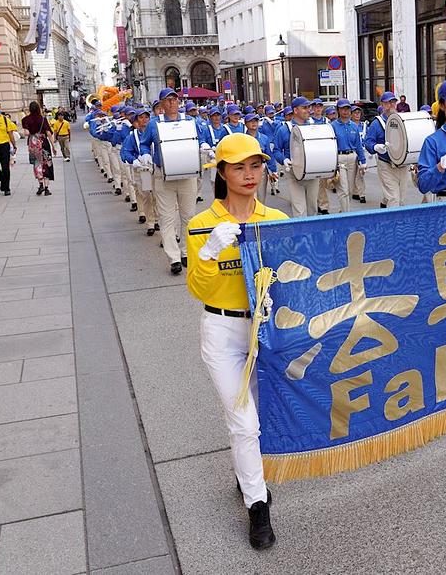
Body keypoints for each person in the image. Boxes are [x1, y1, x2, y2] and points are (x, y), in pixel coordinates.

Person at [185, 132, 287, 551]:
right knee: (244, 423)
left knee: (258, 423)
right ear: (222, 173)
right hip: (223, 332)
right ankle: (257, 506)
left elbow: (296, 275)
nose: (249, 175)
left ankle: (247, 474)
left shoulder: (277, 221)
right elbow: (199, 289)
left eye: (256, 165)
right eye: (239, 167)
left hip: (265, 329)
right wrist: (209, 252)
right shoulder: (200, 225)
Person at [136, 87, 201, 274]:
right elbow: (144, 144)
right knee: (167, 217)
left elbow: (200, 138)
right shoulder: (155, 124)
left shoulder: (190, 121)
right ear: (162, 104)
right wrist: (145, 154)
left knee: (189, 216)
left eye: (174, 99)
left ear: (179, 102)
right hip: (163, 175)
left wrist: (203, 145)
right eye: (168, 100)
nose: (172, 103)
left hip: (187, 174)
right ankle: (173, 257)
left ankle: (186, 251)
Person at [273, 97, 319, 217]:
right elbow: (277, 150)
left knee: (313, 207)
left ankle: (311, 234)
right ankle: (302, 235)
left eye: (309, 107)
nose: (308, 110)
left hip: (312, 171)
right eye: (304, 108)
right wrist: (284, 160)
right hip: (294, 172)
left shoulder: (313, 127)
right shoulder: (284, 129)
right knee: (300, 209)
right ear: (295, 110)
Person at [364, 92, 411, 208]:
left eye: (393, 102)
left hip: (403, 165)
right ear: (383, 105)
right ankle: (394, 225)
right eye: (388, 103)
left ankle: (385, 206)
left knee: (401, 199)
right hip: (386, 165)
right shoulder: (376, 123)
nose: (391, 105)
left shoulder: (402, 120)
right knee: (394, 198)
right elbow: (368, 142)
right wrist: (375, 147)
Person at [122, 107, 160, 235]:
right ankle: (150, 223)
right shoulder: (132, 136)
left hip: (156, 167)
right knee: (147, 196)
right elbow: (125, 152)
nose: (144, 120)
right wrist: (134, 160)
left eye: (146, 117)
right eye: (141, 117)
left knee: (158, 195)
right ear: (136, 121)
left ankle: (158, 220)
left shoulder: (156, 132)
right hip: (142, 169)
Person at [329, 100, 366, 213]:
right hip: (339, 159)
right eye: (342, 109)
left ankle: (343, 210)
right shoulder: (332, 126)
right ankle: (347, 215)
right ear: (338, 110)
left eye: (347, 109)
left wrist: (362, 161)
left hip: (352, 158)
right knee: (343, 189)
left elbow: (358, 145)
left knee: (349, 190)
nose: (345, 111)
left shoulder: (354, 126)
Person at [22, 102, 57, 196]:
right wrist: (53, 146)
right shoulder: (43, 119)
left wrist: (31, 133)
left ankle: (40, 184)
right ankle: (46, 188)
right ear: (38, 108)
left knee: (37, 164)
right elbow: (49, 133)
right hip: (43, 143)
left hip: (33, 144)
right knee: (46, 163)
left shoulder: (25, 119)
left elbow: (26, 133)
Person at [351, 105, 368, 204]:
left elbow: (369, 137)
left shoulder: (364, 125)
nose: (357, 114)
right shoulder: (349, 125)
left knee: (360, 174)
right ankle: (355, 191)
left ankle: (362, 194)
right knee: (353, 174)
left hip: (363, 151)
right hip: (352, 152)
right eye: (355, 113)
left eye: (359, 113)